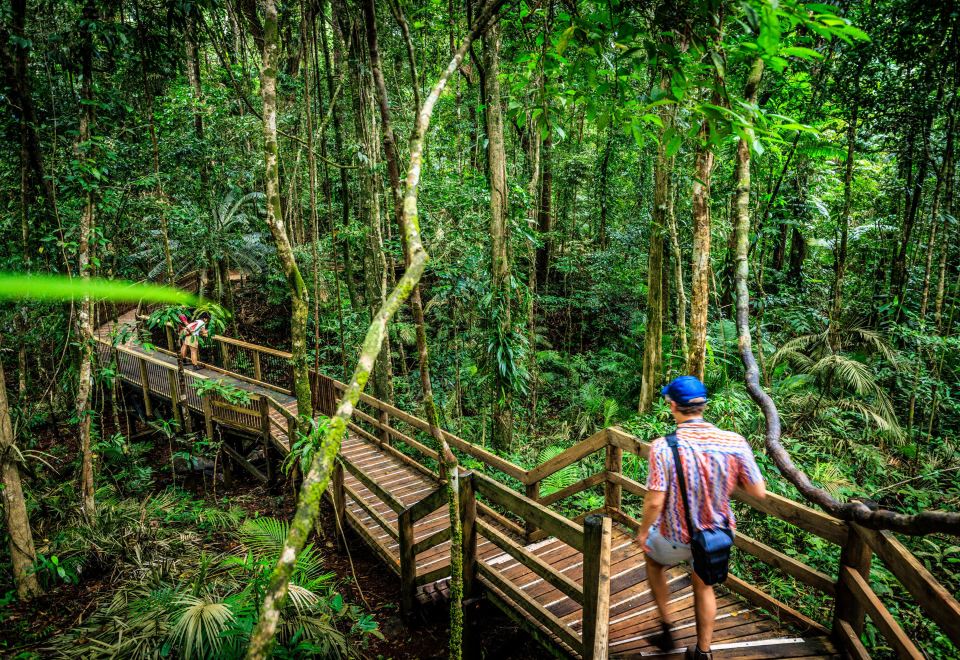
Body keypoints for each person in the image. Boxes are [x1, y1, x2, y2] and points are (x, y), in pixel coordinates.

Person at [637, 375, 767, 659]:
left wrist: (644, 532)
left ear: (673, 406)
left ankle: (667, 628)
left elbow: (655, 500)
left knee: (652, 560)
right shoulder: (733, 441)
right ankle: (703, 652)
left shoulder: (663, 447)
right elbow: (758, 491)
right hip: (716, 536)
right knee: (704, 585)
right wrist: (725, 478)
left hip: (676, 537)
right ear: (703, 406)